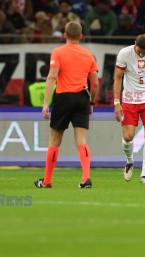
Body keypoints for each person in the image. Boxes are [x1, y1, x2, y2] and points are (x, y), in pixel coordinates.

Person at [34, 22, 99, 189]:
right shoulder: (88, 54)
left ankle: (47, 181)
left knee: (55, 140)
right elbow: (95, 83)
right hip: (82, 97)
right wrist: (91, 102)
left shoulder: (58, 52)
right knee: (81, 140)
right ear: (80, 37)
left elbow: (51, 77)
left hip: (63, 98)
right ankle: (86, 178)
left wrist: (45, 103)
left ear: (64, 35)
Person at [114, 34, 145, 184]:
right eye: (139, 51)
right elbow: (118, 78)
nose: (141, 54)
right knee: (128, 136)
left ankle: (144, 174)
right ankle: (130, 161)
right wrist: (117, 102)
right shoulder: (125, 53)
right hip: (130, 98)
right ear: (134, 44)